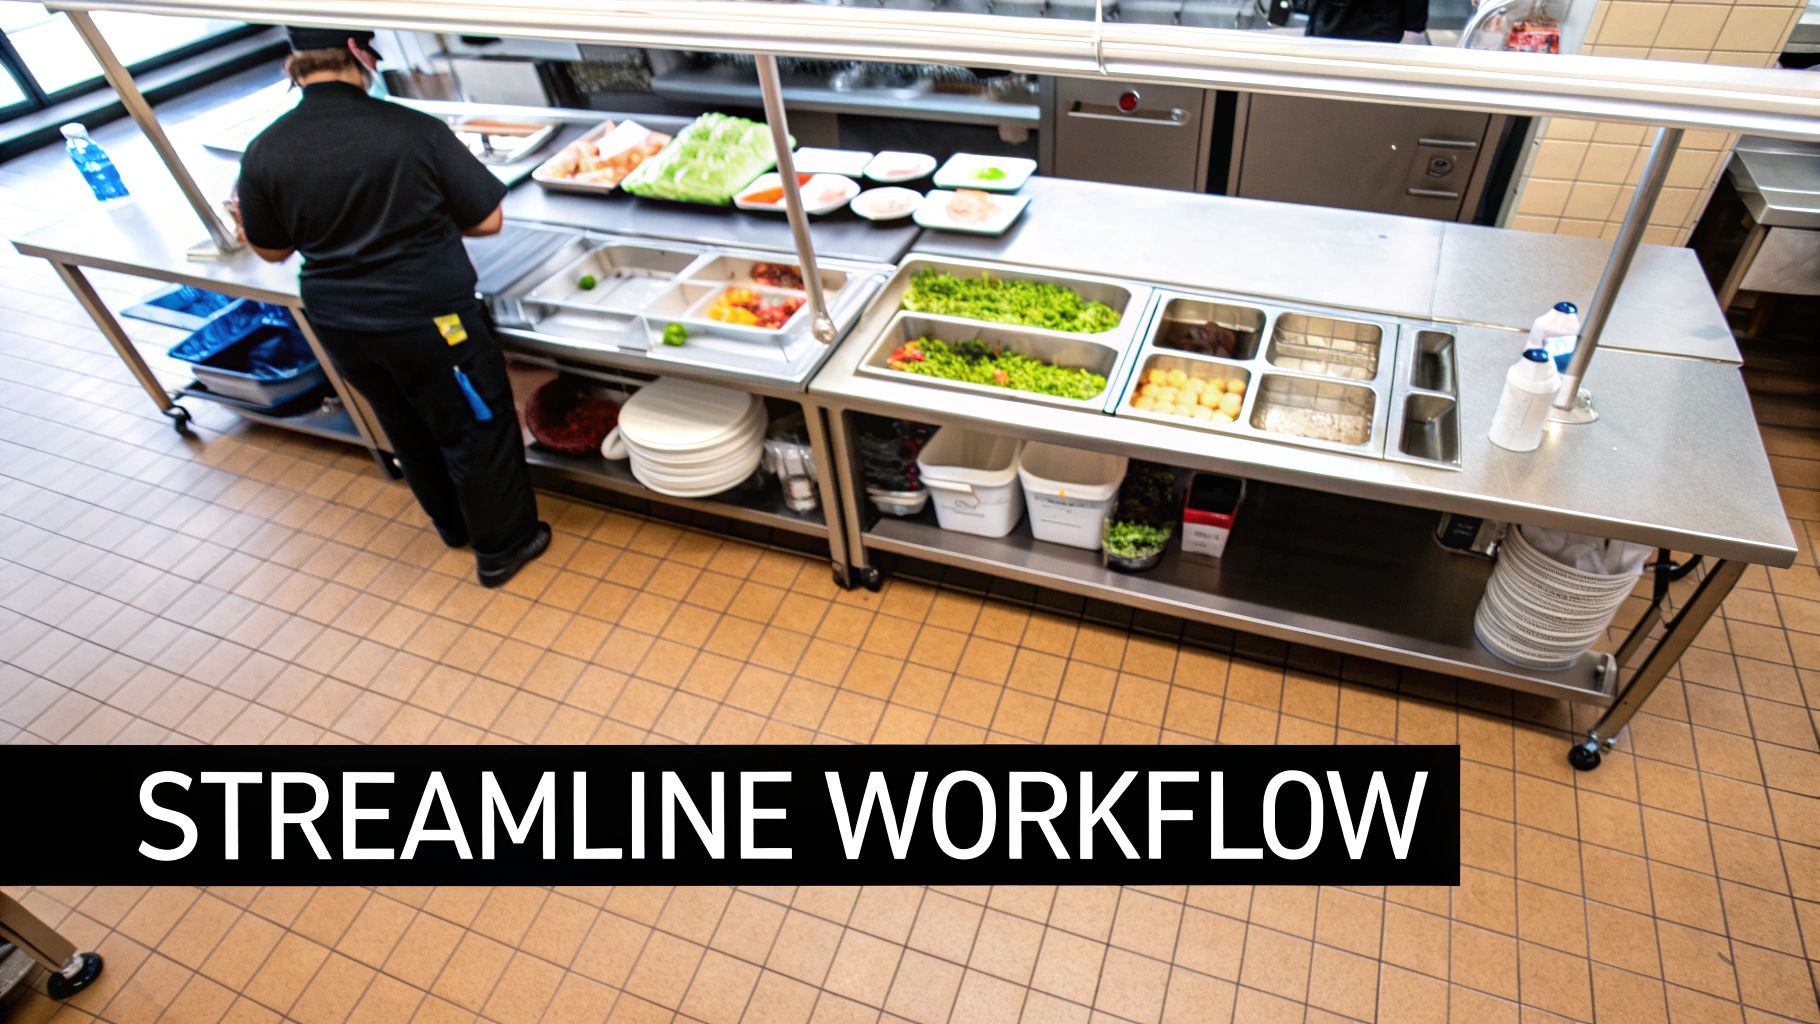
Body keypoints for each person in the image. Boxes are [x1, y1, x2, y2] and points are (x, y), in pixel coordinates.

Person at [233, 27, 549, 588]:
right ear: (359, 54)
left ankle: (452, 526)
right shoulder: (412, 130)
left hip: (339, 322)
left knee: (406, 424)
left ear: (294, 66)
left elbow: (274, 248)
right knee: (474, 424)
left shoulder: (266, 147)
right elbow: (488, 220)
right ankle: (503, 546)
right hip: (428, 319)